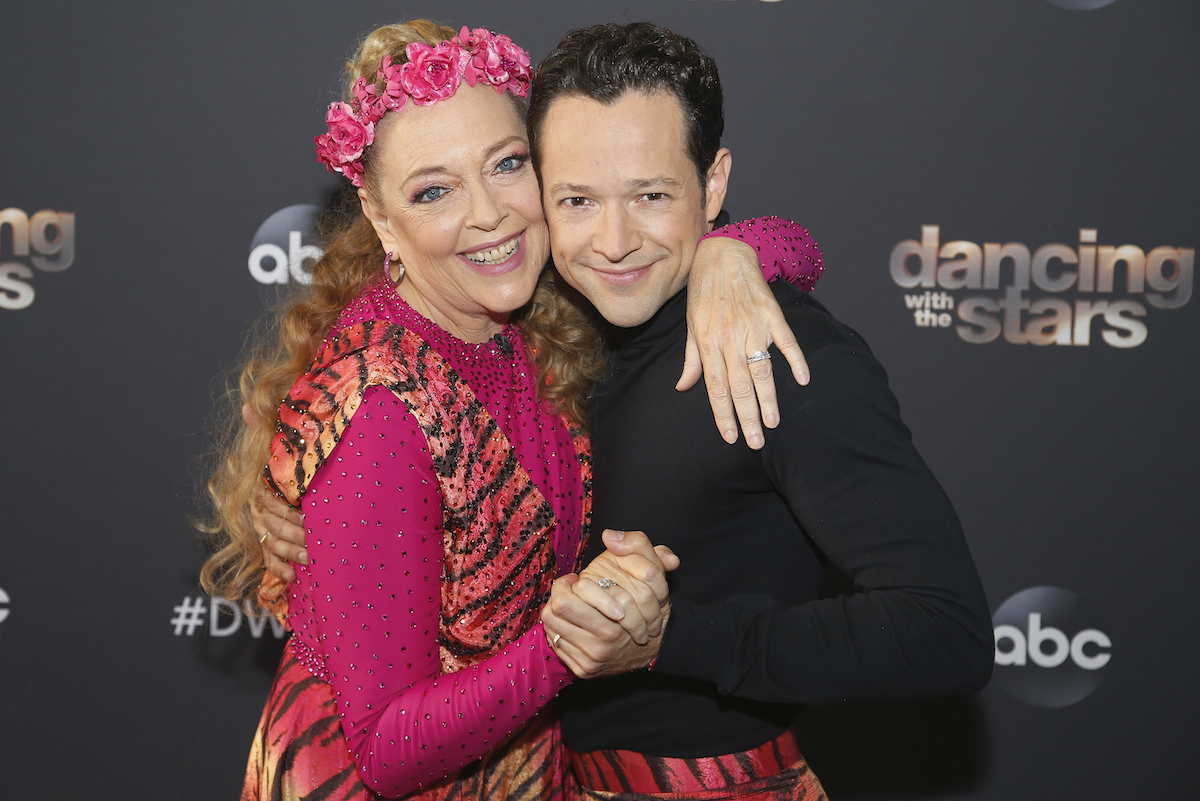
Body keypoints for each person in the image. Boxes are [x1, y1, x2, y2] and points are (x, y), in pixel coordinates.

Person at [198, 19, 824, 801]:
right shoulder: (379, 405)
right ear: (383, 218)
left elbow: (799, 245)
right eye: (434, 190)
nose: (490, 213)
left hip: (516, 766)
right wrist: (575, 638)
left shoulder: (531, 306)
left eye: (507, 164)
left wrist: (731, 254)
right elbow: (387, 749)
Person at [520, 22, 995, 800]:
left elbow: (945, 630)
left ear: (711, 186)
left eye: (651, 195)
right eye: (577, 200)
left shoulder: (782, 355)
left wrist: (672, 636)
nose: (612, 240)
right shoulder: (546, 329)